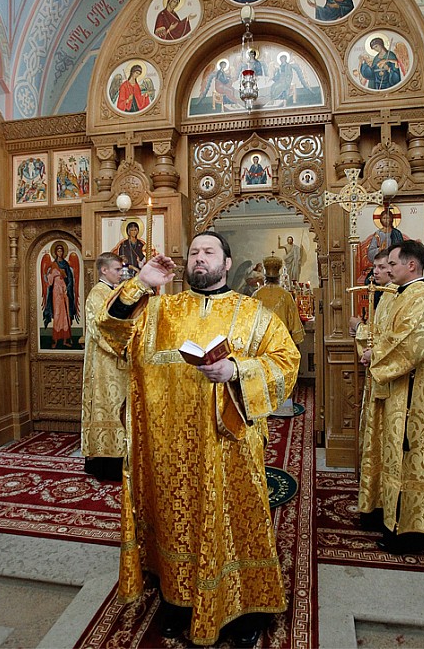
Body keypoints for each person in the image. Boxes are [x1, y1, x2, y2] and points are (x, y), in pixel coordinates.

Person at [97, 231, 300, 647]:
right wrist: (141, 283)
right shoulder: (160, 310)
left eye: (209, 252)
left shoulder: (253, 312)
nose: (199, 258)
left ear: (227, 263)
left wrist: (236, 371)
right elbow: (111, 332)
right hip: (170, 447)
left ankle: (243, 610)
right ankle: (178, 603)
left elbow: (286, 361)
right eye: (194, 252)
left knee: (235, 521)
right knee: (176, 522)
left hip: (230, 447)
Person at [358, 240, 424, 554]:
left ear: (411, 265)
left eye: (393, 264)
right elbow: (387, 334)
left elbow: (411, 345)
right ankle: (388, 517)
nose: (387, 269)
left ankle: (413, 532)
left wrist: (375, 355)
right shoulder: (400, 295)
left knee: (411, 459)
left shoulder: (422, 299)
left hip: (415, 397)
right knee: (395, 457)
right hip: (396, 390)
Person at [349, 249, 397, 500]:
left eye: (381, 267)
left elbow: (385, 340)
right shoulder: (386, 294)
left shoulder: (394, 295)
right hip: (378, 374)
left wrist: (359, 328)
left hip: (388, 380)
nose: (375, 272)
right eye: (374, 267)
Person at [81, 252, 127, 482]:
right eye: (117, 270)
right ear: (104, 270)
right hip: (104, 364)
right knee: (107, 407)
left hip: (117, 363)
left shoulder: (112, 292)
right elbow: (101, 329)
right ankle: (106, 465)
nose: (121, 273)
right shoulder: (97, 294)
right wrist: (125, 347)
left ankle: (120, 460)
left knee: (118, 408)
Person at [254, 254, 305, 417]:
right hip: (281, 344)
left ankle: (263, 407)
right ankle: (282, 408)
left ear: (265, 275)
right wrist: (296, 343)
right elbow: (294, 322)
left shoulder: (256, 295)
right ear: (278, 275)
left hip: (261, 344)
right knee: (282, 374)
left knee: (264, 374)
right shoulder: (286, 295)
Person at [42, 243, 79, 349]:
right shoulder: (53, 265)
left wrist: (68, 288)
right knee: (57, 314)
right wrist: (47, 275)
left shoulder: (66, 264)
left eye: (61, 251)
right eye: (58, 251)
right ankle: (56, 339)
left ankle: (66, 339)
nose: (60, 253)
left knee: (66, 314)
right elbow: (49, 281)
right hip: (56, 292)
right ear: (55, 252)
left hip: (65, 291)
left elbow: (70, 279)